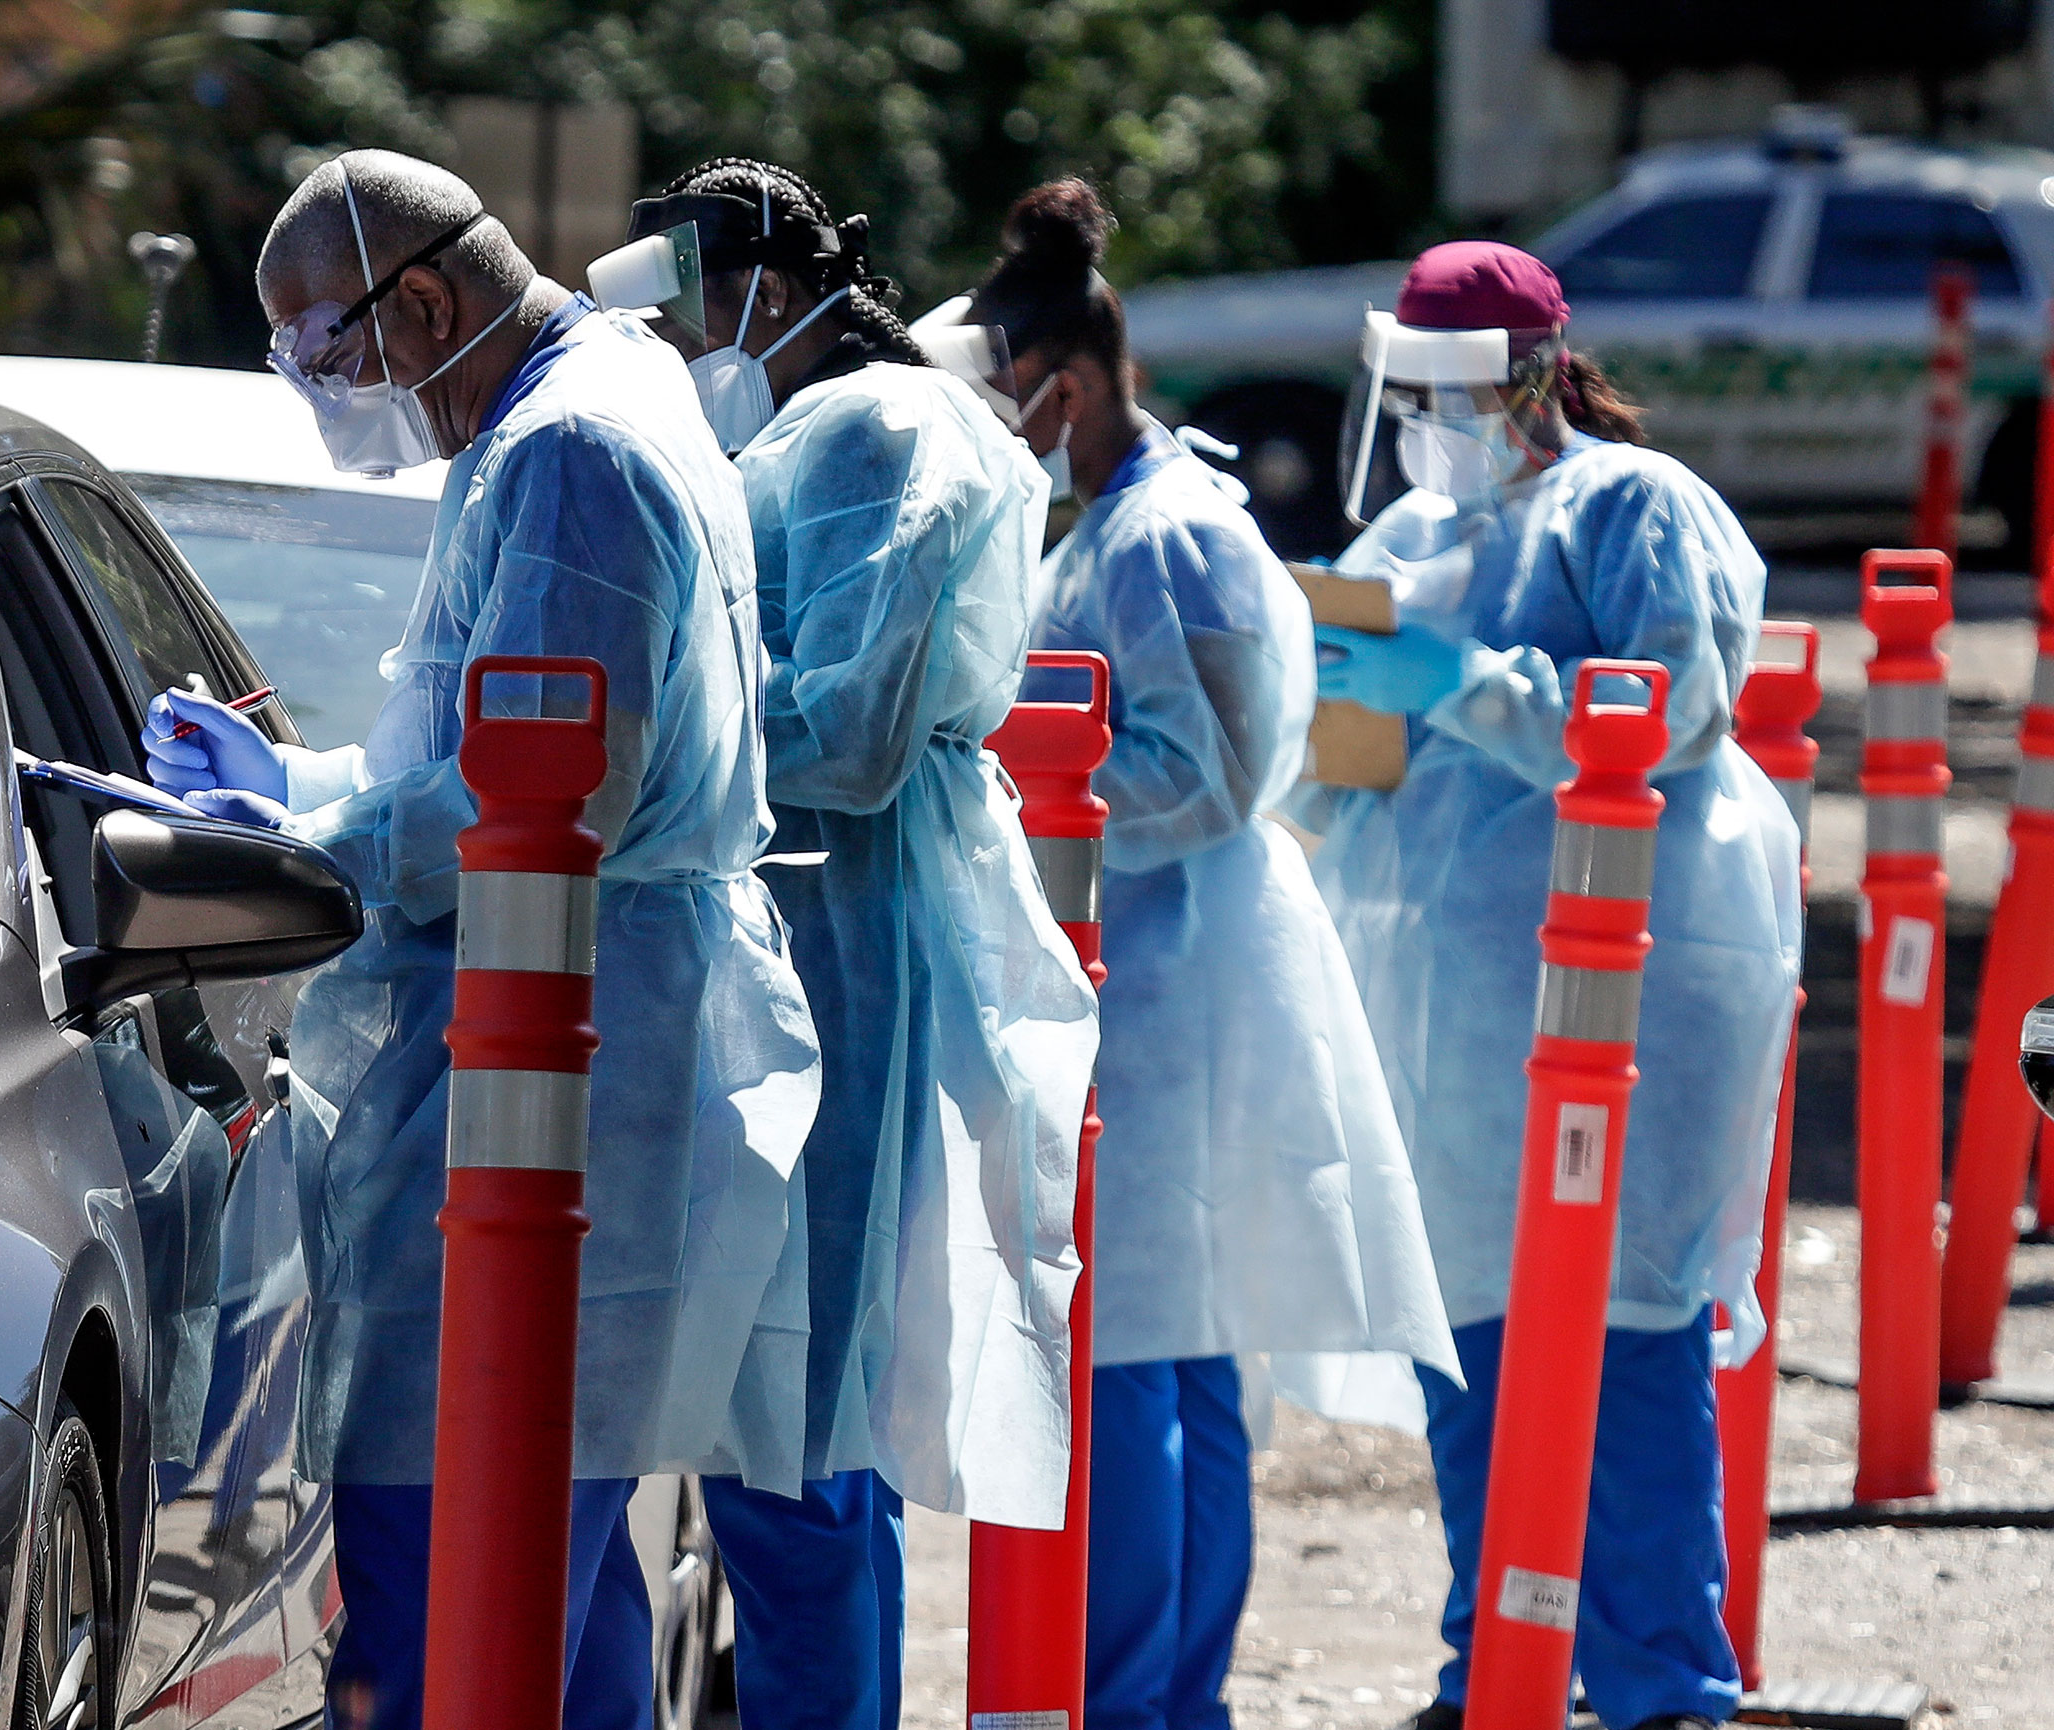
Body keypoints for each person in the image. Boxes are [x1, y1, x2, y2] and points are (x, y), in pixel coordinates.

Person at [141, 148, 823, 1730]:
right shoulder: (571, 409)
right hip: (593, 1054)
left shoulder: (572, 446)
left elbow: (553, 785)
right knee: (555, 1598)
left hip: (567, 1070)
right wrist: (302, 781)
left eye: (322, 351)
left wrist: (304, 838)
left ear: (425, 301)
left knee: (456, 1587)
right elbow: (485, 729)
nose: (322, 391)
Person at [596, 159, 1099, 1730]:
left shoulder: (874, 430)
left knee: (791, 1454)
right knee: (802, 1455)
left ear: (750, 284)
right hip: (809, 936)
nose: (679, 342)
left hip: (832, 945)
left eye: (685, 304)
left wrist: (659, 751)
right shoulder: (844, 424)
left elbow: (860, 728)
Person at [955, 180, 1459, 1730]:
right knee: (1169, 1361)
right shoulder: (1125, 519)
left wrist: (1003, 778)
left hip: (1170, 982)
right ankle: (1166, 1697)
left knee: (1140, 1365)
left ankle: (1142, 1698)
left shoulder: (1164, 539)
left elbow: (1215, 769)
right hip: (1151, 974)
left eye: (1008, 397)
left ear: (1071, 380)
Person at [1299, 240, 1802, 1730]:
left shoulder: (1636, 507)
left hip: (1630, 990)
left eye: (1453, 392)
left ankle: (1663, 1687)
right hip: (1452, 1007)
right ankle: (1501, 1667)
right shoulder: (1399, 540)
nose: (1430, 421)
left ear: (1531, 374)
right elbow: (1344, 779)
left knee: (1627, 1334)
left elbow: (1677, 712)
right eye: (1413, 392)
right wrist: (1314, 713)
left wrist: (1471, 681)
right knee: (1476, 1339)